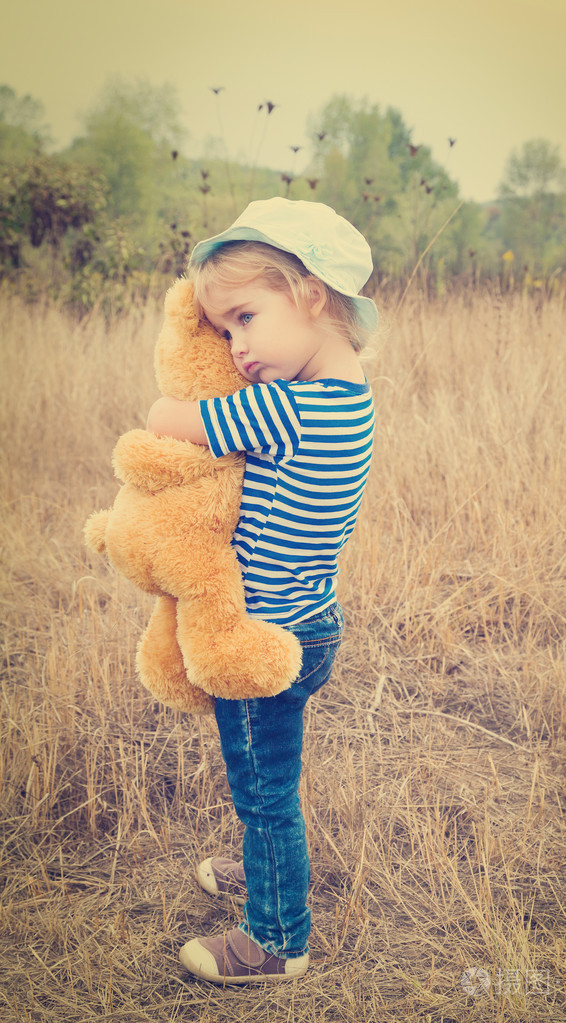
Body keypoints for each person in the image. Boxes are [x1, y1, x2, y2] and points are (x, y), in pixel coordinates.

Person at [146, 197, 377, 985]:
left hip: (260, 634)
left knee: (263, 791)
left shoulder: (287, 406)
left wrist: (172, 398)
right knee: (275, 771)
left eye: (244, 317)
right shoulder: (352, 400)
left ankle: (277, 940)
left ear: (311, 293)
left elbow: (170, 418)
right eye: (224, 331)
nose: (237, 345)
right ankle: (268, 866)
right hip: (312, 622)